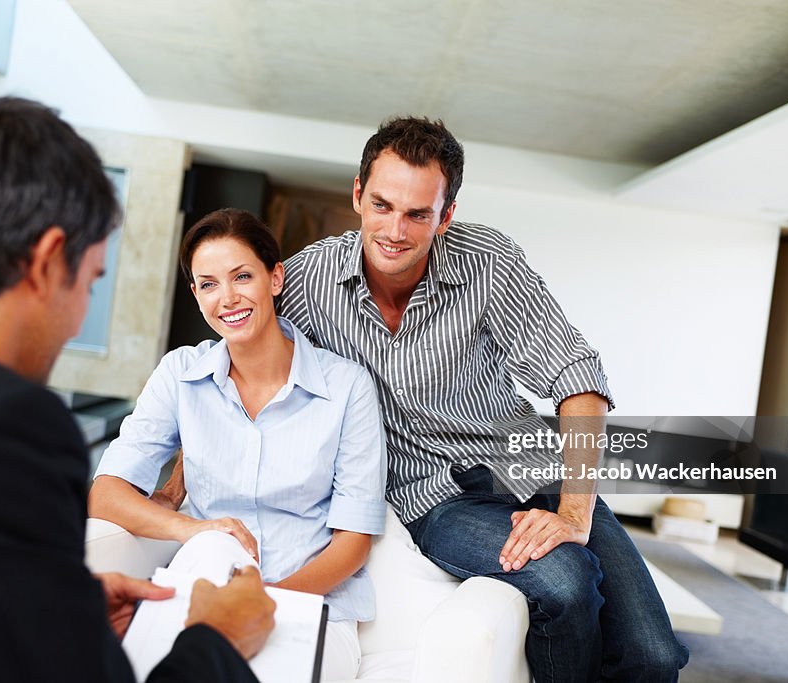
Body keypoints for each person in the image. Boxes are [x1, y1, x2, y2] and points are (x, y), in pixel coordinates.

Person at [274, 117, 691, 682]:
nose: (394, 229)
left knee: (655, 656)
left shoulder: (486, 261)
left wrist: (572, 511)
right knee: (563, 583)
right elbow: (234, 369)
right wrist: (175, 482)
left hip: (531, 466)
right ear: (357, 195)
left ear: (446, 216)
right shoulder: (306, 281)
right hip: (435, 496)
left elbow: (579, 378)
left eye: (418, 213)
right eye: (382, 205)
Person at [0, 97, 274, 682]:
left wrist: (45, 611)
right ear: (45, 263)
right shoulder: (4, 425)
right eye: (91, 281)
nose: (77, 320)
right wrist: (217, 639)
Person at [88, 209, 387, 680]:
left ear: (275, 277)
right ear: (196, 295)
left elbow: (352, 543)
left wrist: (266, 601)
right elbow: (105, 495)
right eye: (208, 284)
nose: (227, 298)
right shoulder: (180, 374)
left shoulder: (347, 387)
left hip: (308, 601)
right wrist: (196, 530)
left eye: (242, 276)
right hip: (203, 583)